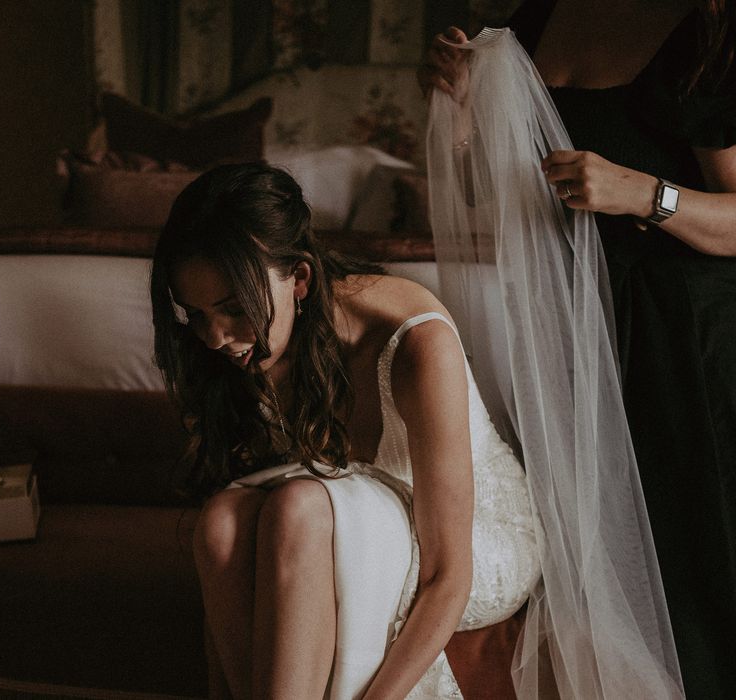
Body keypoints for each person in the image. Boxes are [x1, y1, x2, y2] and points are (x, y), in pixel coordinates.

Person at [419, 1, 736, 697]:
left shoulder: (710, 28)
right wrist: (468, 108)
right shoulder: (542, 19)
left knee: (701, 563)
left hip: (691, 336)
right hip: (581, 334)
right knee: (610, 569)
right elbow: (489, 194)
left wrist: (646, 194)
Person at [150, 162, 540, 699]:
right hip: (349, 510)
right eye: (194, 315)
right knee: (218, 523)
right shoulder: (253, 341)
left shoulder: (416, 345)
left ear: (301, 279)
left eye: (233, 309)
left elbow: (449, 575)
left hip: (472, 541)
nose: (214, 338)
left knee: (298, 509)